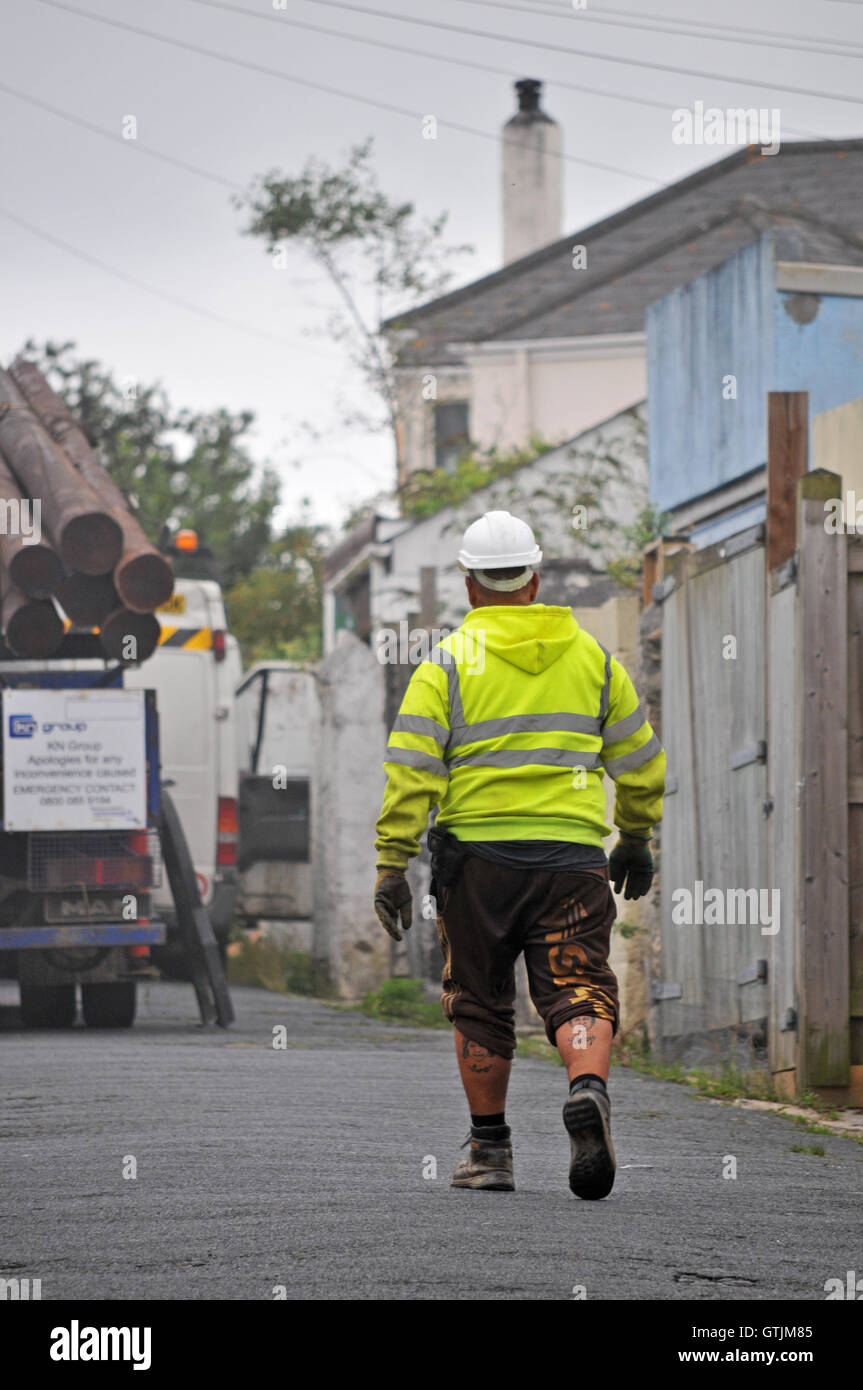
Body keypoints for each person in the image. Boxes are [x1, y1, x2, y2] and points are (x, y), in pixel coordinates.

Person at [373, 510, 665, 1199]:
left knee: (478, 1000)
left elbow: (412, 772)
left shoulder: (444, 663)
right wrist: (633, 836)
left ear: (469, 586)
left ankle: (490, 1152)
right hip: (570, 858)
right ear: (534, 579)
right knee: (577, 985)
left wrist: (391, 863)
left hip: (477, 865)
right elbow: (642, 764)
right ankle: (586, 1087)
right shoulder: (592, 659)